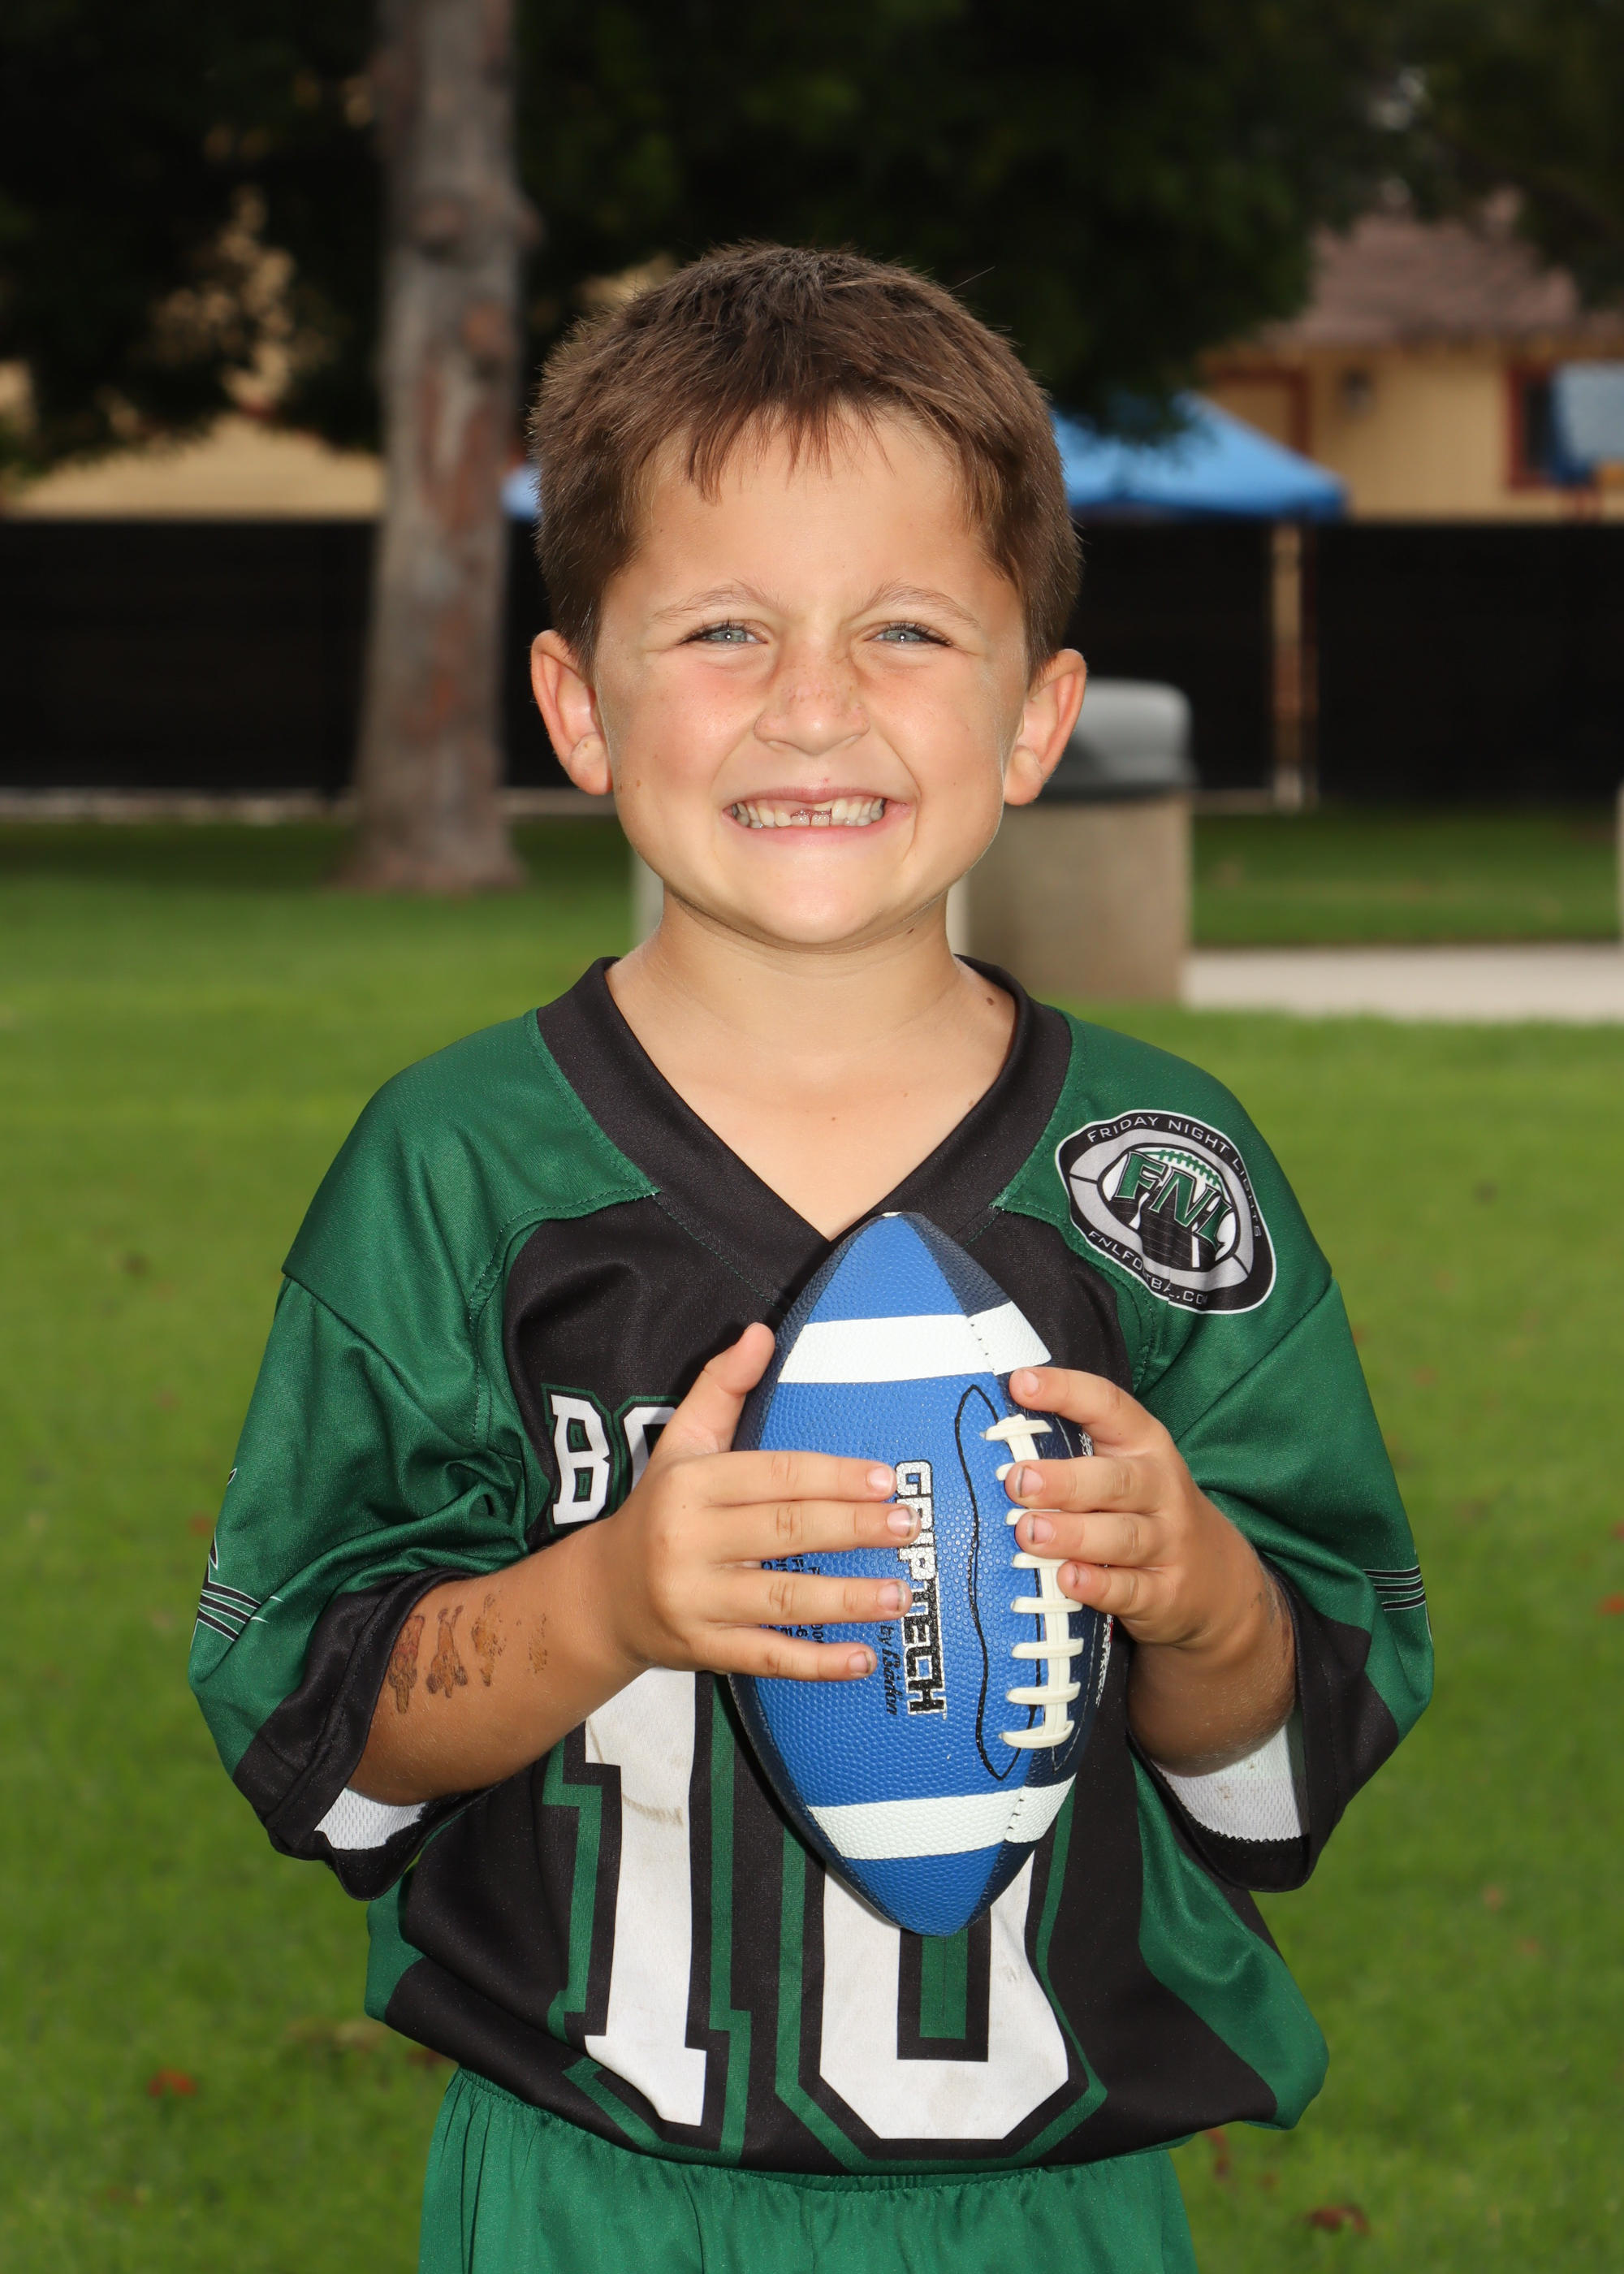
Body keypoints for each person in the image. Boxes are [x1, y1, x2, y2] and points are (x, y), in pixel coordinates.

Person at [190, 244, 1431, 2274]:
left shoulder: (1160, 1176)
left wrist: (1200, 1591)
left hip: (1050, 2206)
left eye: (906, 628)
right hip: (590, 2194)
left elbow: (1280, 1772)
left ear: (1038, 716)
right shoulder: (460, 1169)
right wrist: (604, 1597)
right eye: (725, 628)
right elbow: (315, 1737)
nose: (814, 703)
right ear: (577, 703)